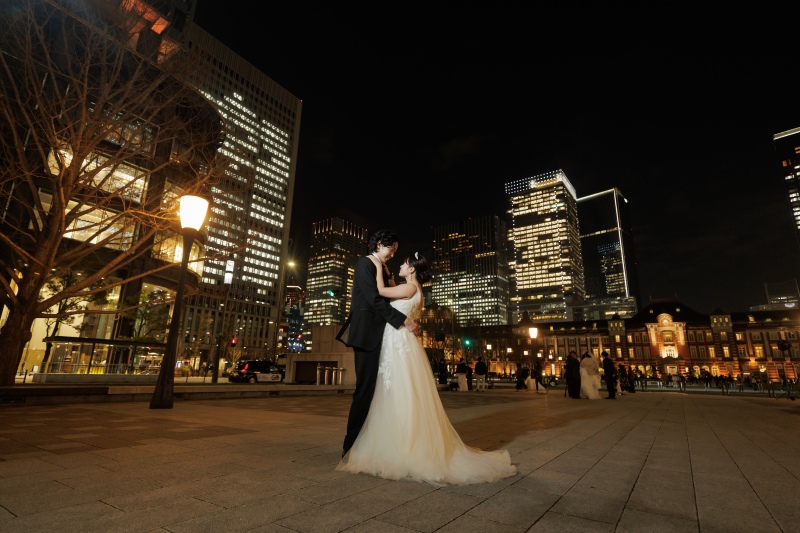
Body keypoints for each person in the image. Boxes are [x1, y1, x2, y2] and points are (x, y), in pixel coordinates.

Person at [337, 252, 516, 485]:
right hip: (399, 342)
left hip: (397, 342)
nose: (399, 264)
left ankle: (400, 444)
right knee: (400, 391)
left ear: (412, 269)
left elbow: (379, 291)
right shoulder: (414, 289)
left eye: (403, 263)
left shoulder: (409, 289)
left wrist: (378, 265)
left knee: (396, 392)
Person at [340, 230, 420, 458]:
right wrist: (403, 319)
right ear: (377, 244)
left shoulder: (380, 268)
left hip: (383, 335)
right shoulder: (365, 264)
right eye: (390, 249)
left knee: (378, 391)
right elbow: (373, 298)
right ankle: (351, 445)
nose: (392, 255)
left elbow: (389, 295)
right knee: (364, 390)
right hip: (367, 334)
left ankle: (374, 442)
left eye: (395, 251)